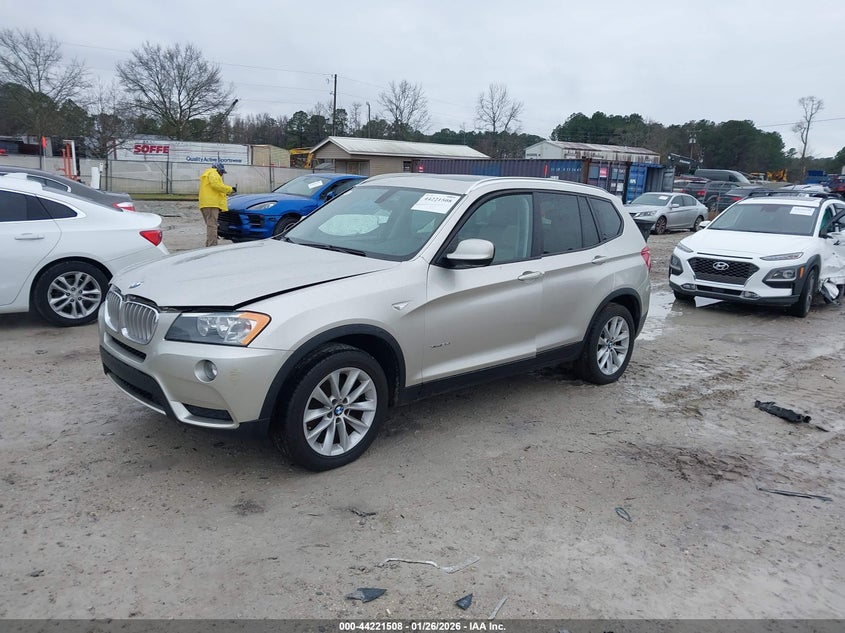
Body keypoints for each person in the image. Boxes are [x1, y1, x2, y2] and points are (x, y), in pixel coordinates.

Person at [198, 163, 235, 247]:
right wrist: (230, 189)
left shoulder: (207, 174)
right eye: (222, 172)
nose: (222, 175)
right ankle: (212, 246)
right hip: (212, 204)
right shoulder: (213, 173)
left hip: (205, 203)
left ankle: (209, 244)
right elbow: (216, 185)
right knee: (212, 226)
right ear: (218, 170)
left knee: (210, 225)